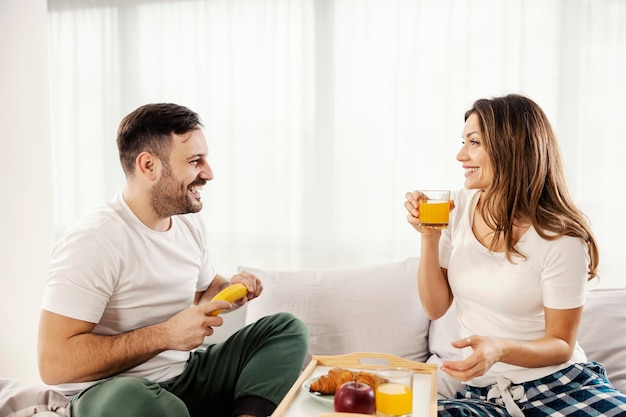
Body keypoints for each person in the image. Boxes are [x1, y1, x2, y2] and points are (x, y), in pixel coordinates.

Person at [38, 103, 310, 417]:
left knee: (285, 329)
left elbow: (205, 289)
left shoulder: (187, 222)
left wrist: (231, 290)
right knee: (135, 399)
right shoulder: (94, 240)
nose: (208, 173)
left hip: (185, 374)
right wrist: (167, 334)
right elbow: (54, 364)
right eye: (196, 161)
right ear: (148, 166)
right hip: (114, 390)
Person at [404, 94, 626, 416]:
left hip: (559, 387)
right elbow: (435, 307)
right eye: (463, 141)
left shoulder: (559, 237)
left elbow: (561, 344)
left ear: (510, 148)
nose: (460, 155)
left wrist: (501, 349)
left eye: (474, 142)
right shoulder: (455, 209)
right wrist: (429, 235)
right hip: (484, 394)